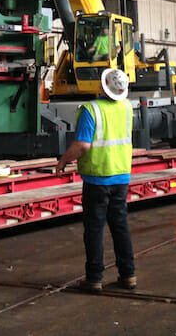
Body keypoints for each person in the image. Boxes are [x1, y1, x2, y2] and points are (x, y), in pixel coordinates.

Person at [55, 68, 136, 292]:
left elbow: (82, 145)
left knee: (94, 228)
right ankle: (128, 275)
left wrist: (62, 161)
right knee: (120, 225)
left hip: (98, 179)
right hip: (121, 176)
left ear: (102, 87)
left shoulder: (92, 110)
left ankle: (94, 279)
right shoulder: (127, 108)